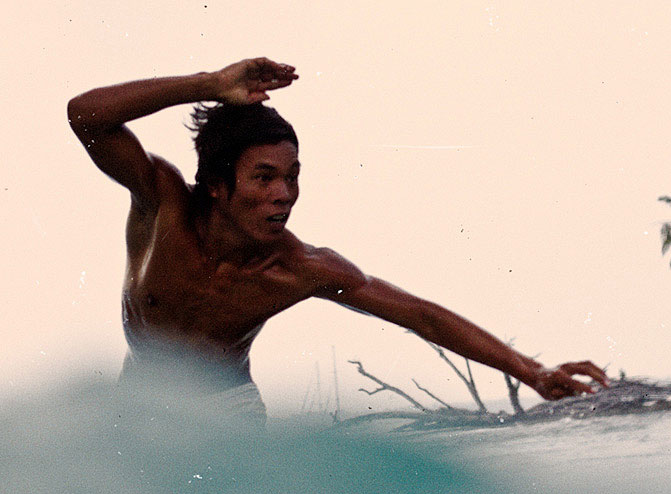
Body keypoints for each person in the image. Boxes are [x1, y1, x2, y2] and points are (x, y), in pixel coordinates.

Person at [67, 57, 608, 425]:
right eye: (264, 177)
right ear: (216, 186)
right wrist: (208, 85)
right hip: (135, 402)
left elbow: (422, 315)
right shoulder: (160, 201)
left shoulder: (300, 268)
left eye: (293, 175)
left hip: (225, 415)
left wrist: (534, 372)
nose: (285, 194)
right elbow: (85, 114)